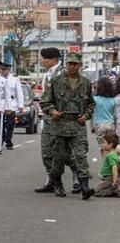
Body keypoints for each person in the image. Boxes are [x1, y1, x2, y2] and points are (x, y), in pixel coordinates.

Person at [40, 52, 95, 199]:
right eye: (70, 64)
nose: (72, 66)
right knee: (59, 157)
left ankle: (85, 186)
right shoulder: (57, 81)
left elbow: (91, 104)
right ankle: (57, 183)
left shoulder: (85, 83)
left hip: (77, 124)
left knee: (80, 155)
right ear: (66, 65)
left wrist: (86, 116)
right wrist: (53, 111)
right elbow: (45, 101)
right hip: (60, 124)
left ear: (80, 65)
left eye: (75, 64)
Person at [34, 47, 81, 194]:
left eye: (44, 59)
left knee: (66, 152)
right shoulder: (47, 74)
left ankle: (77, 177)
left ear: (53, 59)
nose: (42, 61)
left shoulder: (65, 73)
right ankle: (51, 180)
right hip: (49, 118)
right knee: (47, 152)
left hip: (63, 119)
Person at [1, 63, 24, 150]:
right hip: (2, 104)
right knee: (1, 125)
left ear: (9, 70)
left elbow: (19, 93)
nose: (4, 71)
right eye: (3, 69)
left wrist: (20, 105)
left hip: (12, 104)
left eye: (6, 69)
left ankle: (8, 141)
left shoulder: (15, 79)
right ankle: (1, 139)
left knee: (10, 125)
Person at [92, 77, 116, 150]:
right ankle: (110, 160)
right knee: (110, 147)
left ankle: (104, 160)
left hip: (99, 125)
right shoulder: (113, 100)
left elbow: (93, 114)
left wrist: (92, 127)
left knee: (102, 147)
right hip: (110, 124)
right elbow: (114, 114)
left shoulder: (95, 99)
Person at [94, 133, 119, 197]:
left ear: (110, 144)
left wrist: (114, 180)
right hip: (107, 177)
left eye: (104, 142)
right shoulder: (114, 154)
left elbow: (114, 167)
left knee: (96, 191)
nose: (102, 144)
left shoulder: (110, 155)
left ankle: (114, 191)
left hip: (109, 178)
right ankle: (114, 189)